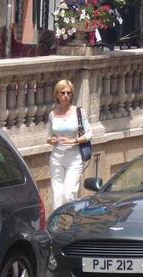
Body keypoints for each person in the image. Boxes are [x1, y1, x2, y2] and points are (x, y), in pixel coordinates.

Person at [47, 79, 92, 210]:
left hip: (74, 157)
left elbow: (89, 134)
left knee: (69, 194)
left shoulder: (78, 112)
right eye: (62, 93)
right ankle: (57, 226)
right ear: (57, 95)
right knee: (57, 196)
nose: (66, 96)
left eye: (68, 93)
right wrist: (52, 140)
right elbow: (49, 137)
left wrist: (74, 141)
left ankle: (70, 222)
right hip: (57, 157)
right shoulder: (52, 114)